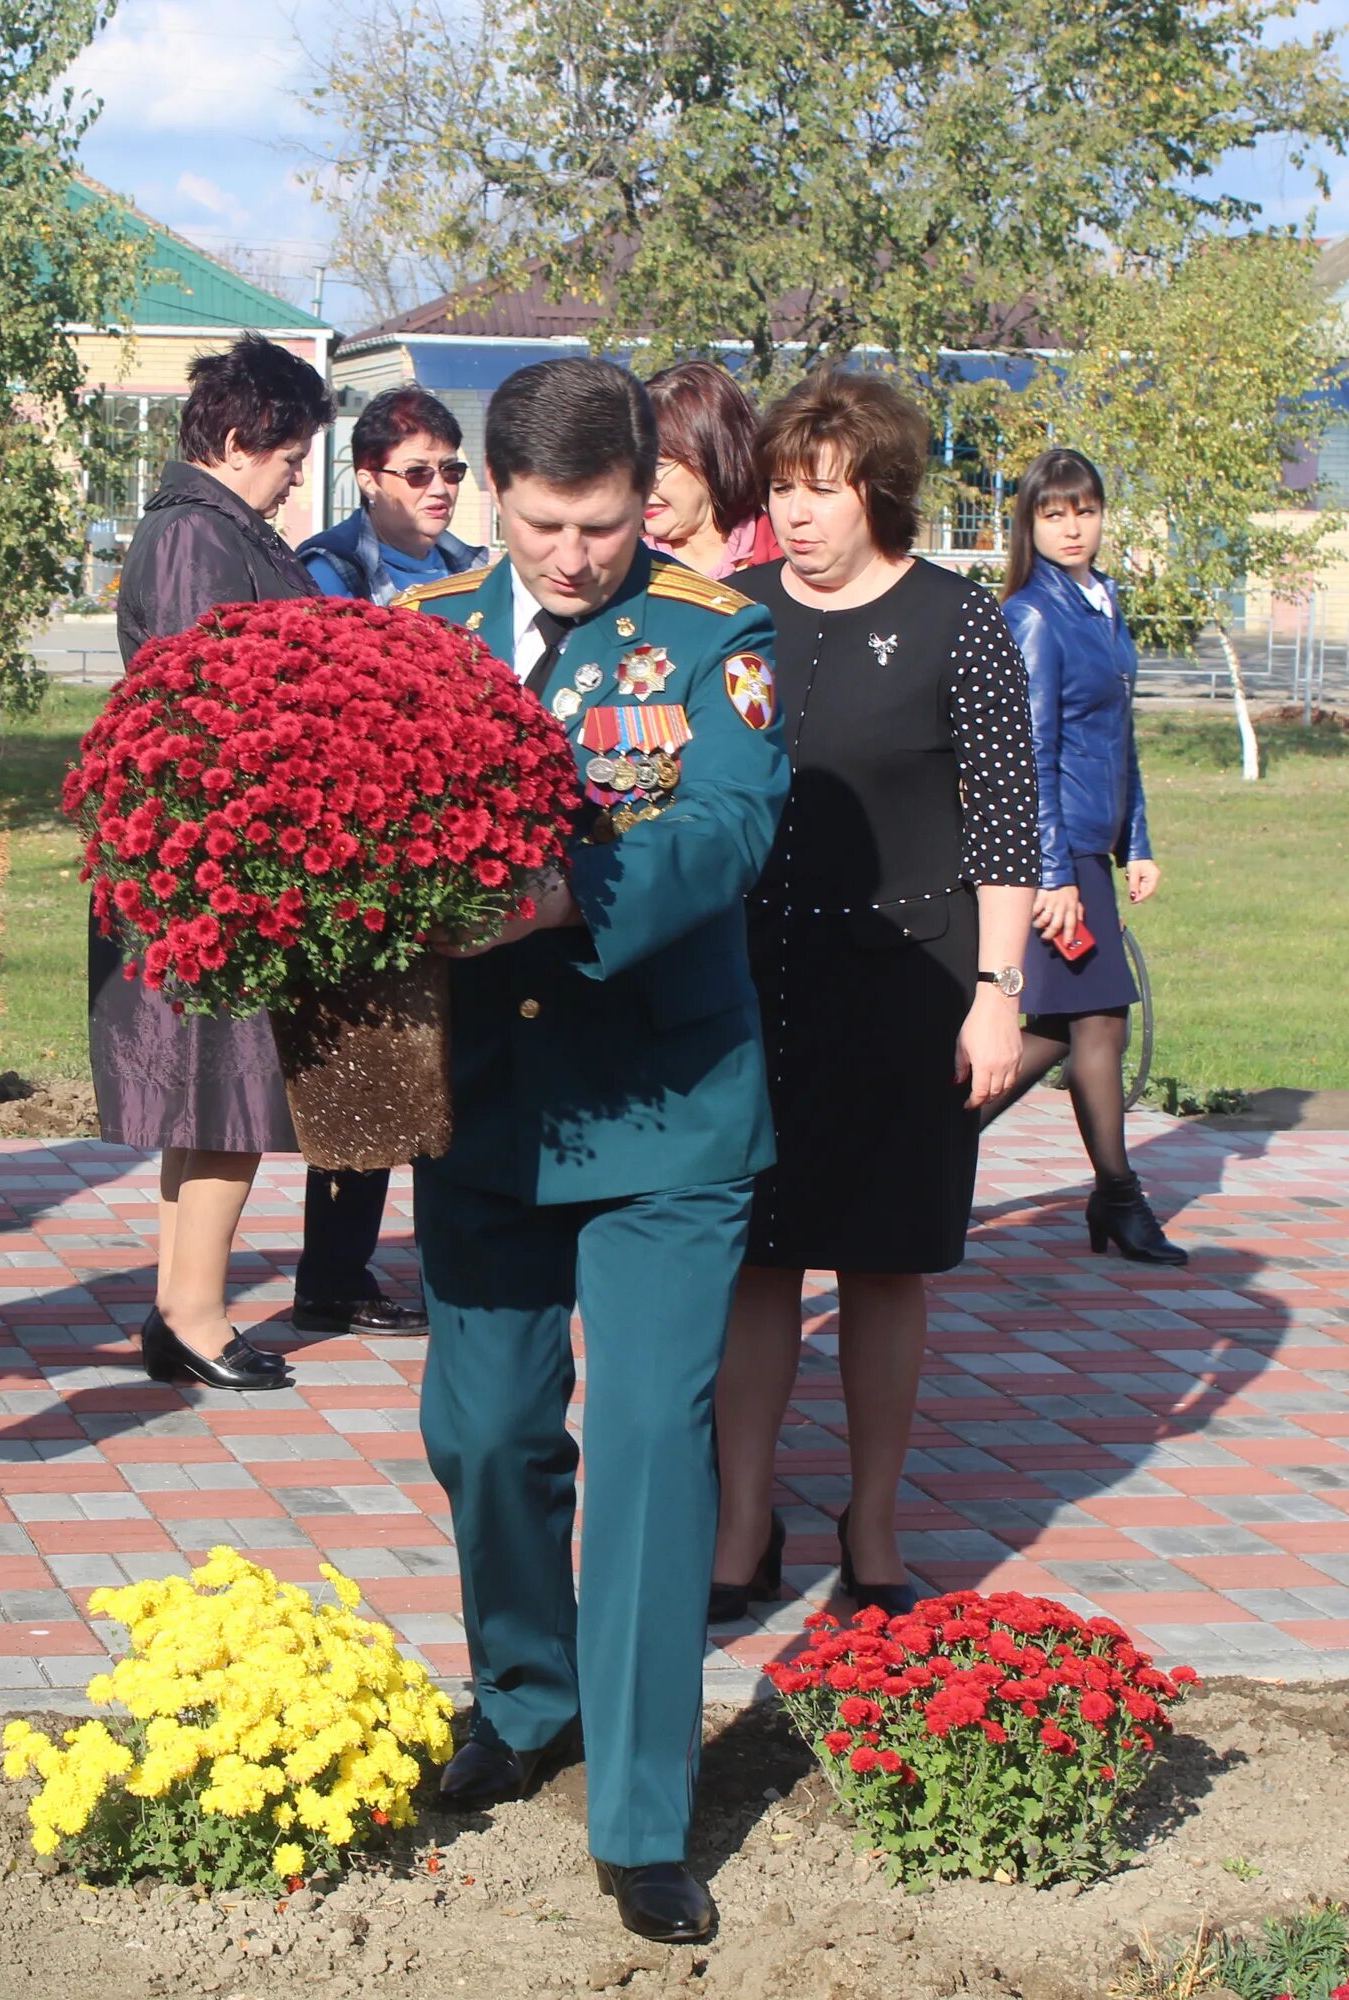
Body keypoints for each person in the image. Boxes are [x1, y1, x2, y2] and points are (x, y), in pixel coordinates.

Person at [394, 356, 786, 1945]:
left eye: (605, 524)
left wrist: (559, 895)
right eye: (546, 525)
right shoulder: (418, 642)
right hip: (484, 1106)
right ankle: (527, 1694)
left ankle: (638, 1815)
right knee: (484, 1435)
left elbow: (729, 826)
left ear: (650, 492)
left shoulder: (714, 637)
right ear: (494, 497)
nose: (574, 556)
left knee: (640, 1443)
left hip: (669, 1110)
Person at [707, 368, 1038, 1629]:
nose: (795, 514)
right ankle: (743, 1518)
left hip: (910, 983)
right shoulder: (732, 612)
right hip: (751, 982)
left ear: (879, 491)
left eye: (821, 490)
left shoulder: (959, 622)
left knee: (887, 1262)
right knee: (757, 1259)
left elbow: (1009, 824)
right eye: (782, 488)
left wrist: (999, 991)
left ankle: (875, 1515)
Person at [96, 334, 426, 1394]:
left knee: (215, 1106)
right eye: (289, 462)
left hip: (222, 862)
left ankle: (180, 1309)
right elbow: (211, 703)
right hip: (220, 867)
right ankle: (192, 1314)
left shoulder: (207, 525)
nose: (294, 485)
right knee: (226, 1103)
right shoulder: (198, 535)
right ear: (241, 442)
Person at [979, 449, 1183, 1263]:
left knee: (1071, 1028)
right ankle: (1121, 1198)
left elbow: (1117, 736)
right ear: (1029, 523)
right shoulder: (1033, 614)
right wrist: (1054, 874)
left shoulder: (1102, 604)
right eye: (1055, 512)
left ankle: (926, 1134)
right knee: (1097, 1018)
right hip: (1053, 855)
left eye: (1086, 510)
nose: (1073, 526)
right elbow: (1029, 752)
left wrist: (1137, 842)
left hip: (1091, 851)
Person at [297, 385, 484, 603]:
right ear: (369, 483)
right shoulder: (330, 572)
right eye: (417, 473)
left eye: (451, 470)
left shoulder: (474, 568)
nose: (440, 489)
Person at [641, 360, 780, 581]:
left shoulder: (788, 554)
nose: (640, 483)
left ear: (713, 458)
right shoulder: (619, 571)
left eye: (657, 465)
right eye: (634, 466)